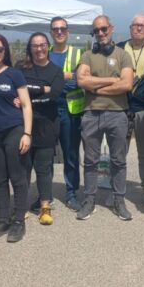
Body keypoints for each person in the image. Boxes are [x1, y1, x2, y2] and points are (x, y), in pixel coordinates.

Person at [75, 15, 135, 221]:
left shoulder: (123, 55)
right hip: (91, 114)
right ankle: (89, 200)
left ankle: (119, 199)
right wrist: (111, 80)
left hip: (118, 114)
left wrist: (96, 87)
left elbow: (126, 85)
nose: (100, 33)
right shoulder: (87, 55)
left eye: (103, 29)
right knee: (90, 160)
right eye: (96, 31)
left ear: (111, 28)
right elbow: (81, 80)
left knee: (118, 161)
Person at [0, 33, 33, 242]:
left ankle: (19, 220)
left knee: (17, 177)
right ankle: (3, 218)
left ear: (5, 51)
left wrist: (27, 133)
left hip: (14, 130)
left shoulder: (14, 74)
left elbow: (26, 104)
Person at [21, 32, 64, 225]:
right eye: (35, 45)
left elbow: (53, 95)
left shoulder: (56, 71)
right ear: (29, 48)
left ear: (48, 46)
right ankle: (20, 206)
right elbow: (17, 89)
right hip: (24, 126)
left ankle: (44, 206)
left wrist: (28, 95)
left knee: (44, 169)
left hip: (47, 126)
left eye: (42, 45)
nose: (39, 49)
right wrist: (42, 88)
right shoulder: (21, 68)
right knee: (23, 168)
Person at [117, 14, 144, 209]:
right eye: (136, 25)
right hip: (121, 107)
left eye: (143, 26)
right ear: (130, 28)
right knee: (118, 154)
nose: (139, 28)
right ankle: (116, 192)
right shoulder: (118, 48)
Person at [48, 16, 85, 211]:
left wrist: (54, 83)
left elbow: (80, 81)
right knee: (45, 155)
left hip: (71, 112)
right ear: (51, 32)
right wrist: (64, 78)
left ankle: (71, 193)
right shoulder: (44, 54)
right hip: (48, 112)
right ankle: (45, 195)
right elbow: (40, 82)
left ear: (68, 31)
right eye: (56, 29)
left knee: (71, 154)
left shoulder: (79, 54)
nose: (59, 32)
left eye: (63, 28)